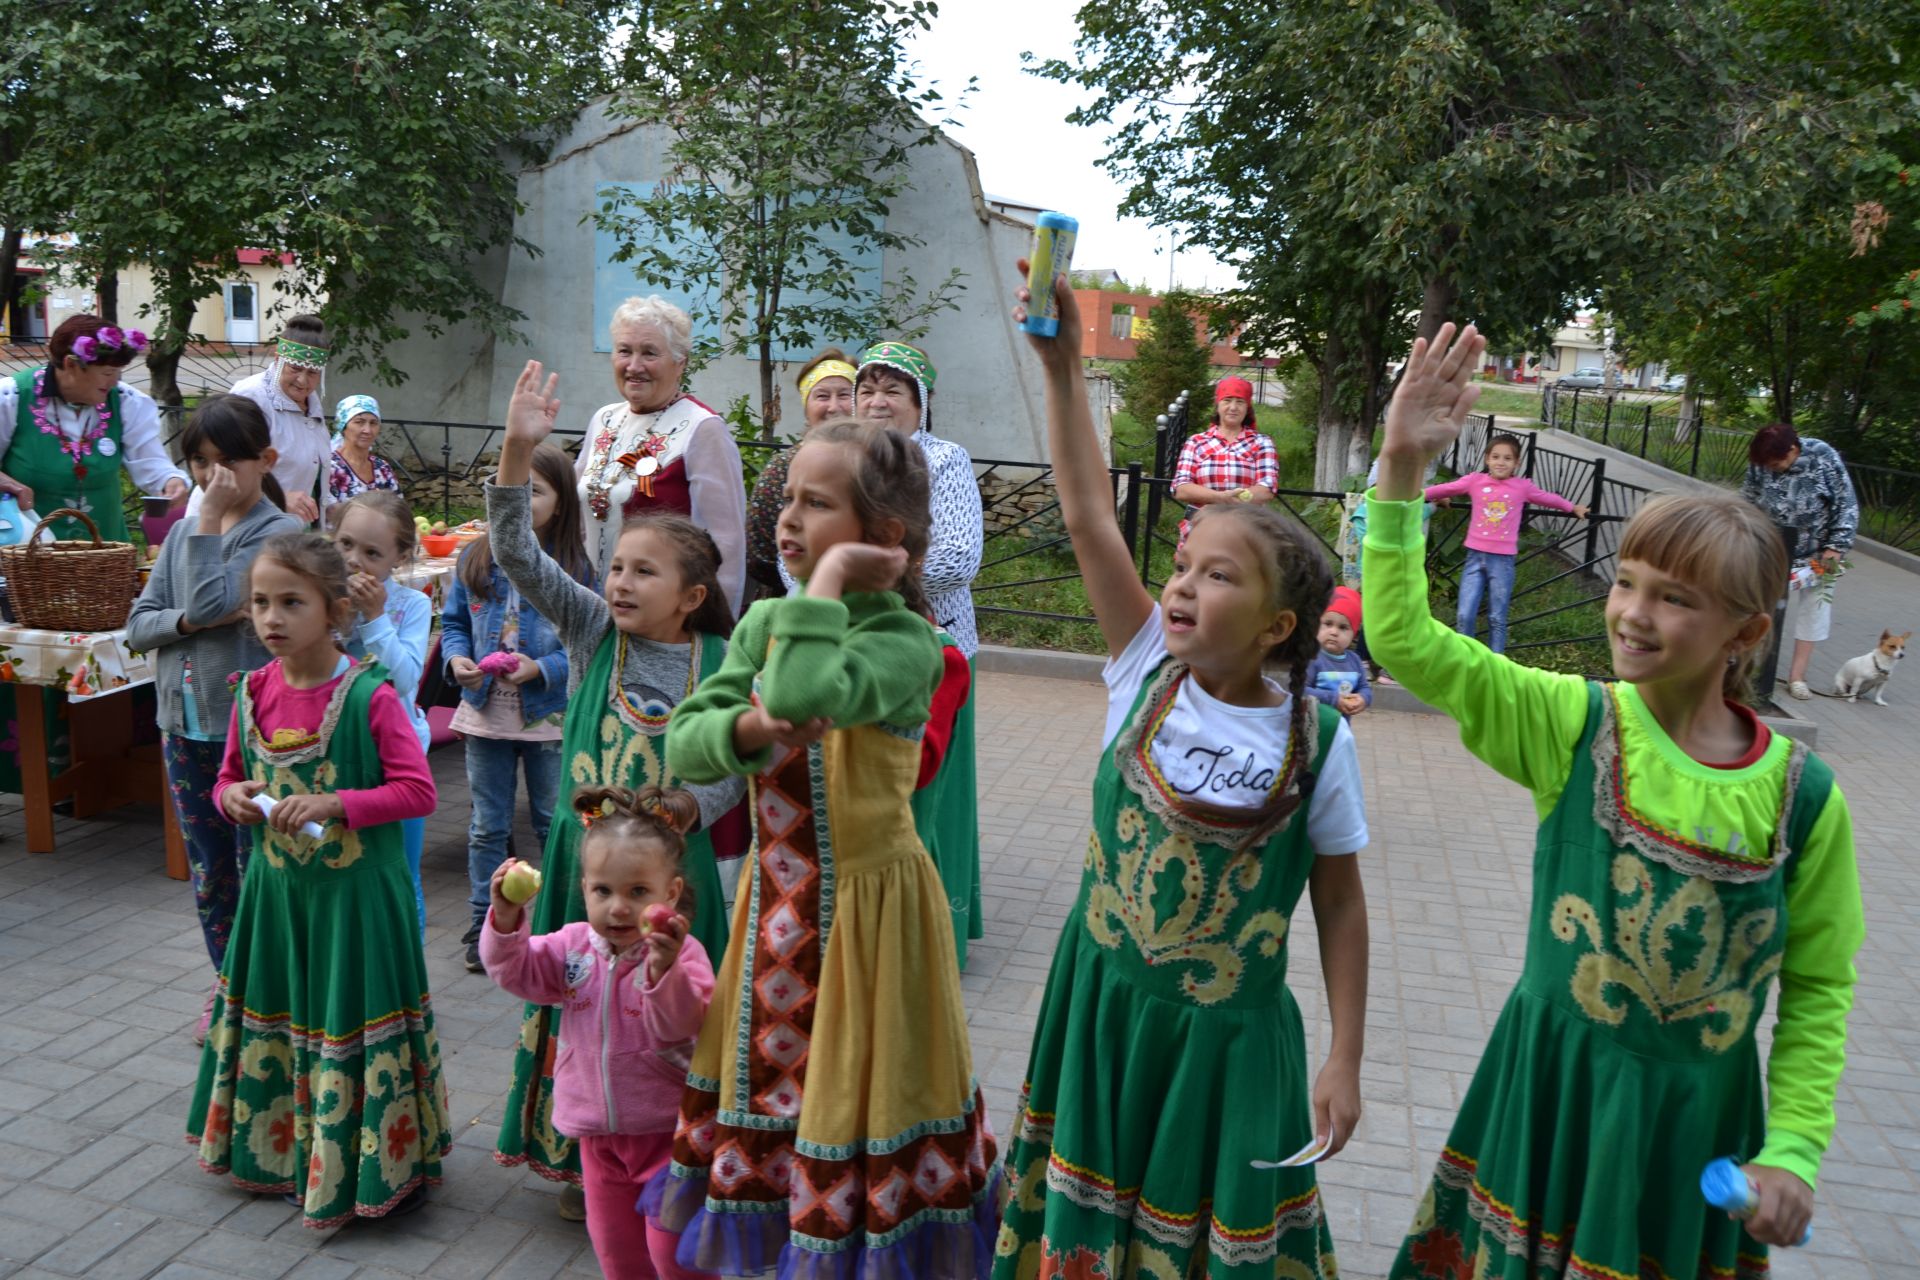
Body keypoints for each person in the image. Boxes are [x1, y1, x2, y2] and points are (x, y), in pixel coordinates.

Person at [1368, 324, 1862, 1276]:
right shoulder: (1573, 725)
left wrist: (1792, 1148)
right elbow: (1406, 640)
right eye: (1626, 584)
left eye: (1675, 599)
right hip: (1550, 1098)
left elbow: (1820, 985)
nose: (1634, 614)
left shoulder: (1804, 800)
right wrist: (1398, 468)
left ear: (1746, 633)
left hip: (1693, 1129)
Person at [994, 272, 1369, 1280]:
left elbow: (1338, 900)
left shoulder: (1319, 740)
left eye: (1218, 573)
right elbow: (1086, 514)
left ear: (1280, 624)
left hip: (1233, 1040)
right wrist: (1065, 368)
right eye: (1183, 561)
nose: (1181, 582)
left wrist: (1346, 1052)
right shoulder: (1141, 673)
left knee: (1210, 1236)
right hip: (1106, 1005)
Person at [648, 417, 998, 1277]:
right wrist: (745, 722)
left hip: (872, 921)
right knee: (777, 1101)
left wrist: (832, 583)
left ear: (886, 537)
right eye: (787, 499)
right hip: (773, 912)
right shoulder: (770, 618)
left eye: (816, 504)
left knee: (856, 1098)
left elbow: (809, 693)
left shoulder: (907, 643)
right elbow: (686, 745)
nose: (789, 520)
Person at [488, 361, 744, 1212]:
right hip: (581, 866)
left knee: (665, 1012)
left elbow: (737, 772)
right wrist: (518, 453)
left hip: (676, 881)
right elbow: (518, 553)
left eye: (644, 572)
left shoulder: (721, 664)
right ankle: (582, 1155)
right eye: (617, 567)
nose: (620, 583)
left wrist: (695, 806)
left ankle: (671, 1157)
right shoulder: (595, 634)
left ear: (693, 596)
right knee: (584, 1003)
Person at [190, 532, 448, 1227]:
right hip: (278, 903)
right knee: (286, 1013)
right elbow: (224, 779)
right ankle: (280, 1151)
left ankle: (376, 1161)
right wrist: (232, 799)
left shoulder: (371, 695)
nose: (271, 618)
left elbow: (417, 791)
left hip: (358, 906)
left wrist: (338, 804)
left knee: (350, 1018)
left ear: (334, 611)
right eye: (260, 603)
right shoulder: (251, 691)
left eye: (291, 603)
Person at [482, 785, 717, 1280]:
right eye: (603, 891)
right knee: (619, 1258)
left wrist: (663, 970)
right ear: (584, 887)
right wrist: (506, 917)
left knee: (676, 1263)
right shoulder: (572, 948)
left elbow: (683, 1026)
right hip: (599, 1142)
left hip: (670, 1139)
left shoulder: (684, 954)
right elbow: (517, 972)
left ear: (669, 893)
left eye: (638, 892)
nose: (618, 909)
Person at [127, 396, 300, 1043]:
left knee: (260, 868)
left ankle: (268, 993)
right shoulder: (182, 533)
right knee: (210, 873)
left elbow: (210, 595)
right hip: (182, 726)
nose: (212, 478)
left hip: (252, 733)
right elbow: (141, 625)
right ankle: (230, 987)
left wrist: (204, 523)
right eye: (201, 463)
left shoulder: (278, 536)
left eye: (227, 462)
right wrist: (190, 622)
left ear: (266, 461)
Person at [855, 340, 987, 965]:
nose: (877, 402)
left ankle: (927, 934)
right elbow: (800, 559)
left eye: (893, 391)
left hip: (935, 653)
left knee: (924, 792)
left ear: (920, 403)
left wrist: (860, 572)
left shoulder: (943, 460)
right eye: (867, 389)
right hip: (852, 651)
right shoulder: (840, 457)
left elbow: (959, 556)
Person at [444, 442, 594, 973]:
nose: (524, 499)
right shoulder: (474, 557)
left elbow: (585, 642)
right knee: (488, 824)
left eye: (536, 491)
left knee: (555, 820)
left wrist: (542, 669)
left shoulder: (574, 567)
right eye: (515, 489)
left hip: (546, 716)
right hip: (486, 712)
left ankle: (557, 918)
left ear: (562, 502)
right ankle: (485, 917)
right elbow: (456, 623)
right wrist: (458, 657)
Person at [577, 296, 746, 614]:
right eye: (624, 351)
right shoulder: (604, 420)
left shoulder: (703, 429)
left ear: (680, 362)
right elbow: (572, 514)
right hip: (590, 609)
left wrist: (713, 636)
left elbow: (726, 547)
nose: (634, 366)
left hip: (662, 619)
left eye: (649, 353)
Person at [333, 490, 435, 935]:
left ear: (400, 557)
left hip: (397, 760)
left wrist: (374, 618)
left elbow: (404, 680)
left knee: (397, 869)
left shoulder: (412, 605)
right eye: (346, 545)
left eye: (372, 553)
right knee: (345, 867)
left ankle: (408, 983)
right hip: (337, 752)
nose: (355, 561)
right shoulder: (322, 600)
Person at [0, 315, 188, 540]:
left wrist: (170, 480)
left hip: (105, 553)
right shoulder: (12, 397)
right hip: (29, 556)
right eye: (108, 373)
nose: (115, 381)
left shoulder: (126, 401)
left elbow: (149, 460)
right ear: (71, 365)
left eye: (118, 373)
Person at [1422, 433, 1588, 653]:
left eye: (1507, 458)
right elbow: (1446, 489)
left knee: (1497, 616)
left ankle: (1496, 663)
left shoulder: (1522, 487)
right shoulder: (1475, 481)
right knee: (1464, 614)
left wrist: (1572, 507)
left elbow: (1547, 498)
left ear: (1516, 463)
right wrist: (1416, 494)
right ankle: (1466, 659)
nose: (1501, 462)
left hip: (1502, 561)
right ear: (1487, 459)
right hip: (1474, 557)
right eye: (1496, 457)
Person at [1741, 423, 1859, 701]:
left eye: (1777, 463)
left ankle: (1797, 676)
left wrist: (1836, 547)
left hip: (1819, 553)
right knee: (1757, 602)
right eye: (1767, 465)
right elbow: (1748, 497)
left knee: (1815, 609)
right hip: (1772, 546)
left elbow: (1846, 502)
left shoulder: (1823, 456)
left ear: (1793, 449)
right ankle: (1749, 665)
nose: (1773, 468)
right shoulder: (1762, 461)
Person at [744, 347, 856, 597]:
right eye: (822, 396)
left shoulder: (876, 462)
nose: (834, 407)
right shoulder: (783, 468)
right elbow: (759, 551)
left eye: (845, 395)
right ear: (806, 406)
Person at [225, 314, 334, 525]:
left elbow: (311, 468)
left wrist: (329, 506)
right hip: (240, 525)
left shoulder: (311, 403)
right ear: (278, 359)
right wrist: (279, 498)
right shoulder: (251, 396)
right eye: (295, 368)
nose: (303, 380)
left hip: (286, 529)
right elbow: (227, 466)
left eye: (312, 372)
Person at [1171, 374, 1277, 540]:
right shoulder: (1196, 442)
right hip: (1200, 530)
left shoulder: (1262, 443)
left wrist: (1233, 501)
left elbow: (1266, 488)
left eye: (1240, 401)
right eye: (1227, 400)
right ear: (1218, 405)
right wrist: (1220, 498)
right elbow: (1181, 487)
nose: (1233, 407)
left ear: (1247, 407)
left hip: (1246, 531)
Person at [326, 393, 401, 518]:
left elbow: (398, 510)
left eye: (373, 423)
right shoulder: (330, 467)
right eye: (359, 422)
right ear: (343, 426)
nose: (367, 430)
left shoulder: (382, 468)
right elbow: (331, 514)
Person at [1306, 585, 1371, 717]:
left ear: (1354, 634)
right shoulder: (1312, 658)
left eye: (1343, 627)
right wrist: (1333, 699)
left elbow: (1364, 687)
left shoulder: (1354, 661)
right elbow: (1300, 690)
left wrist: (1364, 698)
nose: (1334, 632)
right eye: (1328, 624)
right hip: (1312, 730)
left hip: (1341, 731)